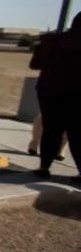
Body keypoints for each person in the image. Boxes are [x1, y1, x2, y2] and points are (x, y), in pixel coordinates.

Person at [29, 11, 81, 181]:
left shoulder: (51, 40)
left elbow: (35, 64)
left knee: (51, 130)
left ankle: (44, 167)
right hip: (76, 95)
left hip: (50, 91)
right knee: (76, 134)